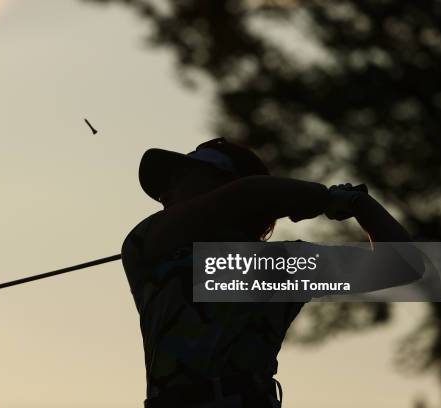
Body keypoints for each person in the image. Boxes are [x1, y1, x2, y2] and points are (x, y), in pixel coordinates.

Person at [121, 137, 422, 408]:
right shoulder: (147, 245)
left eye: (181, 177)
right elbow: (249, 194)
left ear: (221, 183)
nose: (166, 192)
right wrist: (327, 198)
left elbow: (403, 265)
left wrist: (359, 204)